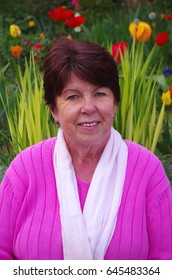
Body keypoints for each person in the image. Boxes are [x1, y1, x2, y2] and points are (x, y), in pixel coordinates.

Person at [0, 37, 172, 260]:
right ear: (54, 110)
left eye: (100, 94)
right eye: (73, 96)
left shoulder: (148, 171)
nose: (89, 108)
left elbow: (165, 262)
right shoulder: (25, 169)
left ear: (115, 103)